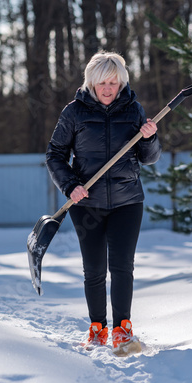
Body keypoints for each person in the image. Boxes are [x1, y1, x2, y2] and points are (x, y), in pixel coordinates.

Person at [46, 51, 161, 355]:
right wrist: (70, 185)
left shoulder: (134, 110)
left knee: (122, 266)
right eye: (102, 83)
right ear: (91, 83)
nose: (108, 89)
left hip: (127, 201)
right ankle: (98, 327)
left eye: (114, 82)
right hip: (88, 204)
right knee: (94, 269)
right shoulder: (74, 113)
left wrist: (150, 138)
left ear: (121, 82)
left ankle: (123, 329)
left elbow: (148, 158)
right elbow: (55, 154)